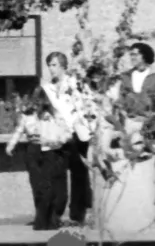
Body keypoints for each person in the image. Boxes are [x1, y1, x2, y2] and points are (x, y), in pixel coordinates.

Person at [40, 52, 94, 227]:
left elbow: (86, 104)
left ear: (63, 66)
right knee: (57, 176)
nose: (51, 68)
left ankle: (78, 214)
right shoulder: (47, 88)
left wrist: (86, 127)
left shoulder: (74, 83)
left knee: (79, 175)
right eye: (49, 65)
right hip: (59, 137)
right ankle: (57, 213)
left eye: (54, 65)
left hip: (77, 135)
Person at [6, 90, 70, 231]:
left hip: (51, 152)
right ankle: (41, 221)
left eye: (40, 102)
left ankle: (52, 219)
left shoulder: (54, 115)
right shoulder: (27, 116)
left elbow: (66, 133)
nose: (38, 105)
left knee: (53, 190)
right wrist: (11, 145)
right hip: (34, 152)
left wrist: (56, 141)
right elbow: (19, 130)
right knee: (39, 188)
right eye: (36, 102)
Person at [115, 42, 155, 118]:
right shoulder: (126, 76)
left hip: (148, 122)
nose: (132, 58)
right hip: (128, 121)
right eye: (131, 55)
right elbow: (121, 99)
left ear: (145, 56)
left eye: (135, 55)